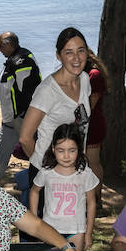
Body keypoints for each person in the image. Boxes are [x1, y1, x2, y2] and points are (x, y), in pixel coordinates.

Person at [31, 123, 99, 251]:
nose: (66, 156)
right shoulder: (47, 171)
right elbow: (34, 191)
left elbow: (92, 202)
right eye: (61, 150)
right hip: (51, 231)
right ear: (53, 149)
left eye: (72, 150)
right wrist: (35, 221)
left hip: (75, 230)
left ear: (79, 150)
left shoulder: (84, 173)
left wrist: (88, 232)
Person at [20, 27, 91, 180]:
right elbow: (25, 138)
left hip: (75, 170)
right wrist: (47, 169)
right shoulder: (47, 91)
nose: (76, 58)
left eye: (81, 50)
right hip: (49, 175)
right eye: (68, 52)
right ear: (59, 56)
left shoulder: (85, 80)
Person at [0, 32, 41, 178]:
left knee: (33, 153)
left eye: (0, 46)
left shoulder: (22, 61)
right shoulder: (15, 59)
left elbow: (28, 90)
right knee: (0, 154)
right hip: (12, 119)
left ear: (9, 44)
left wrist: (22, 115)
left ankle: (43, 183)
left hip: (19, 120)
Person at [85, 51, 109, 183]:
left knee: (93, 163)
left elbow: (90, 105)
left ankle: (97, 198)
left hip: (93, 124)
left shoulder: (94, 75)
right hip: (86, 124)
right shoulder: (84, 73)